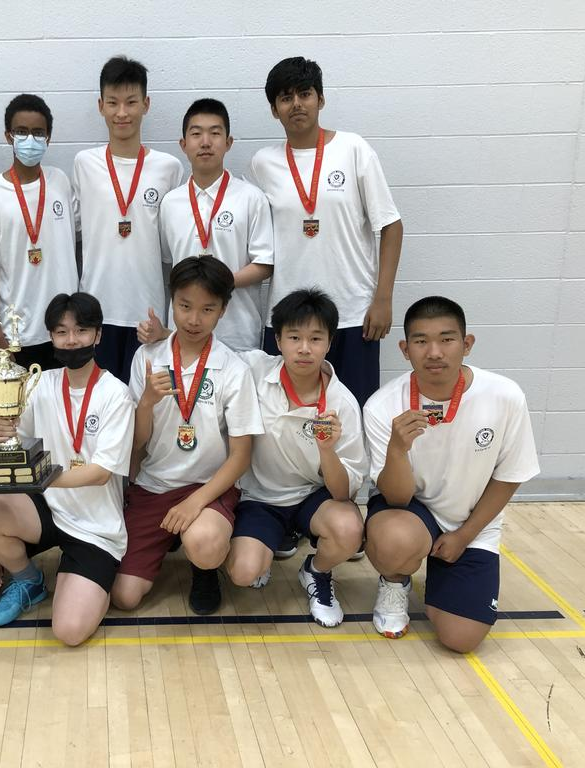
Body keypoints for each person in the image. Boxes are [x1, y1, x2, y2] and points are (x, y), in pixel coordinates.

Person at [364, 297, 539, 652]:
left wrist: (464, 535)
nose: (434, 352)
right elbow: (396, 497)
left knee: (460, 639)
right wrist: (397, 449)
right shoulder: (382, 406)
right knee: (393, 541)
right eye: (420, 341)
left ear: (467, 344)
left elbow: (509, 476)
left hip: (473, 523)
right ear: (404, 349)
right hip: (414, 512)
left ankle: (442, 577)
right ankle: (395, 582)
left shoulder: (505, 396)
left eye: (446, 339)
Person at [0, 293, 135, 646]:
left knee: (69, 632)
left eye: (81, 330)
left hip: (95, 525)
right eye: (61, 332)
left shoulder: (116, 394)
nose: (71, 340)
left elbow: (101, 472)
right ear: (51, 337)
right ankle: (29, 580)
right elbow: (11, 440)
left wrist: (42, 476)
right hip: (47, 510)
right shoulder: (38, 383)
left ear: (99, 335)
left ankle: (91, 582)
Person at [249, 56, 403, 407]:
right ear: (275, 110)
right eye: (285, 98)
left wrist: (383, 298)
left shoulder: (353, 149)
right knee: (286, 416)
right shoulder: (262, 164)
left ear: (321, 99)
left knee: (355, 410)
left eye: (305, 94)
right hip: (286, 318)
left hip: (351, 313)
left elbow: (391, 225)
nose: (296, 104)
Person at [114, 257, 262, 615]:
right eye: (184, 306)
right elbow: (136, 444)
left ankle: (204, 568)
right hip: (154, 485)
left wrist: (196, 502)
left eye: (207, 309)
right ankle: (169, 539)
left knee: (205, 543)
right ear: (171, 302)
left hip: (208, 487)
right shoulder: (147, 358)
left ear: (223, 310)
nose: (194, 319)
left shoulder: (234, 369)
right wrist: (146, 403)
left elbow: (241, 457)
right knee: (123, 597)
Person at [227, 289, 368, 627]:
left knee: (350, 530)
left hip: (312, 497)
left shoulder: (342, 403)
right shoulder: (255, 369)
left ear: (329, 343)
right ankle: (264, 551)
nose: (305, 348)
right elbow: (206, 351)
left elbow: (341, 493)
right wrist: (162, 338)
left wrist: (327, 448)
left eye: (315, 338)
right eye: (294, 337)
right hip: (258, 498)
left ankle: (316, 571)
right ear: (278, 339)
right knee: (243, 573)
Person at [72, 56, 183, 383]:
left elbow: (173, 244)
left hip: (146, 312)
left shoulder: (169, 167)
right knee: (98, 405)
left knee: (142, 405)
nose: (122, 112)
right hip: (97, 308)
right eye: (113, 103)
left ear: (146, 105)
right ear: (100, 106)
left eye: (131, 102)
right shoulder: (84, 163)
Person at [140, 99, 273, 353]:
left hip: (238, 331)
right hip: (183, 332)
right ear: (184, 145)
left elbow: (265, 263)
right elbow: (170, 261)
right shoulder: (170, 202)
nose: (205, 142)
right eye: (196, 134)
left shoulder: (250, 198)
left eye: (215, 133)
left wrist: (219, 283)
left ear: (228, 142)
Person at [0, 94, 78, 371]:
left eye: (38, 133)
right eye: (21, 132)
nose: (30, 140)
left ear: (49, 138)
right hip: (17, 333)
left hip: (66, 330)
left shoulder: (60, 181)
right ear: (9, 136)